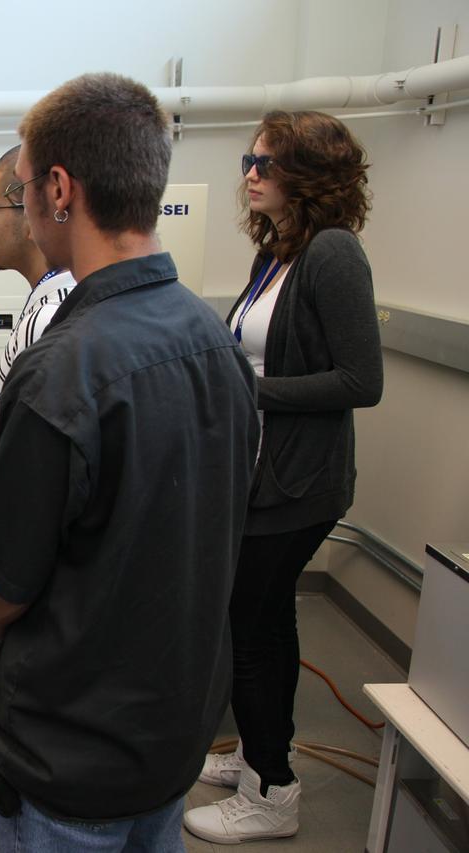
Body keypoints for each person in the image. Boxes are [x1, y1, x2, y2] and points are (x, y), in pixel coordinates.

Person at [0, 73, 260, 851]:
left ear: (59, 189)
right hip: (170, 736)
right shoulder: (213, 339)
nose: (7, 209)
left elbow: (3, 592)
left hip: (70, 758)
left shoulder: (63, 371)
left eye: (17, 188)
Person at [184, 111, 383, 845]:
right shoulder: (281, 252)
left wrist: (250, 390)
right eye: (248, 160)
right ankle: (266, 756)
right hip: (264, 474)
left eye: (265, 163)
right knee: (267, 620)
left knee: (251, 623)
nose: (250, 174)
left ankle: (273, 793)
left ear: (308, 174)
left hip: (299, 485)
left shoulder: (334, 254)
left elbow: (362, 381)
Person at [0, 144, 74, 728]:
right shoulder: (45, 303)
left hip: (19, 621)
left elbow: (33, 494)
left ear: (34, 207)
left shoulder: (53, 315)